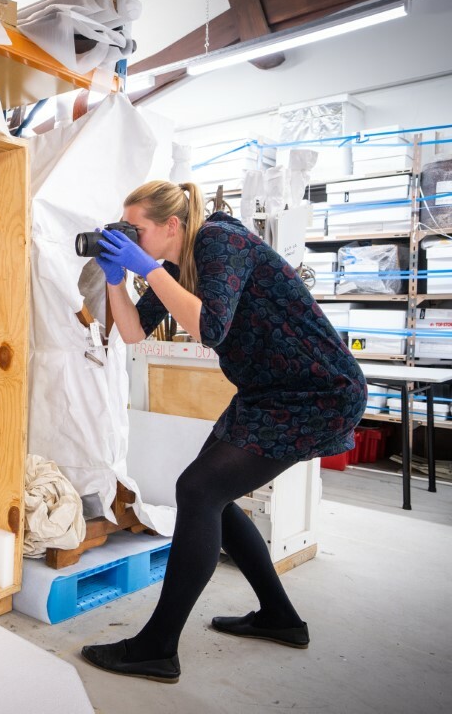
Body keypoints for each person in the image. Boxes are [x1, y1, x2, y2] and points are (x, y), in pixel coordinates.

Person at [80, 180, 367, 684]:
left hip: (316, 391)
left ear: (172, 225)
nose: (129, 239)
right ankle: (280, 618)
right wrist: (115, 280)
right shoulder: (171, 267)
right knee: (212, 496)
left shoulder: (219, 241)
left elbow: (210, 326)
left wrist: (146, 268)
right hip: (268, 392)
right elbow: (131, 334)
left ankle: (156, 647)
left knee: (198, 490)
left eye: (135, 230)